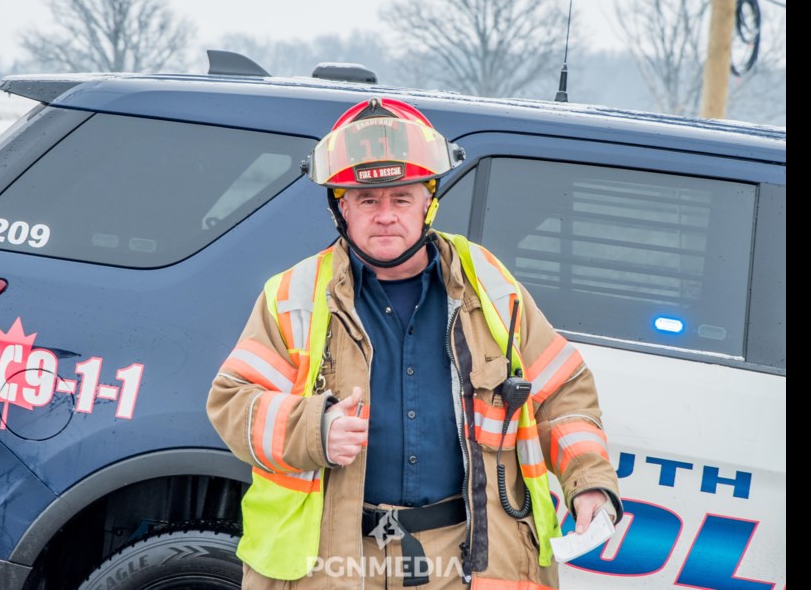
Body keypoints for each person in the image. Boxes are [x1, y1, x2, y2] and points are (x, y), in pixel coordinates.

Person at [207, 97, 622, 589]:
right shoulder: (294, 296)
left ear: (429, 202)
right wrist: (312, 429)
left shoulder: (489, 285)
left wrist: (587, 481)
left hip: (461, 557)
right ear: (341, 208)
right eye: (367, 200)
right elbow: (233, 403)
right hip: (334, 559)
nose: (385, 216)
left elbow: (562, 392)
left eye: (401, 198)